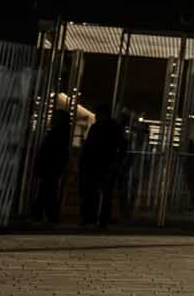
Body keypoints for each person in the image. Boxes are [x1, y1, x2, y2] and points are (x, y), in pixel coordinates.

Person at [32, 93, 91, 225]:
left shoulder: (56, 134)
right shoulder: (61, 134)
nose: (52, 119)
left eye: (55, 118)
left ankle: (43, 214)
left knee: (48, 191)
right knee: (48, 191)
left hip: (51, 166)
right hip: (53, 166)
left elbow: (52, 151)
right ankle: (44, 214)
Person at [77, 106, 129, 228]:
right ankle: (99, 218)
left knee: (94, 191)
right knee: (103, 193)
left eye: (98, 114)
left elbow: (88, 146)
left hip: (99, 163)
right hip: (104, 163)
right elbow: (122, 146)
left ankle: (91, 217)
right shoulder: (113, 128)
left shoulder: (98, 128)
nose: (95, 117)